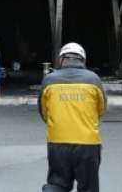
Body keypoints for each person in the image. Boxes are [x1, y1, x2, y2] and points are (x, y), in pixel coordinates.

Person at [39, 42, 106, 192]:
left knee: (58, 183)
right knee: (88, 187)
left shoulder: (49, 80)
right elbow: (100, 109)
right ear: (83, 60)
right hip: (88, 143)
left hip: (57, 142)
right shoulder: (93, 79)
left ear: (61, 59)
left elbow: (44, 111)